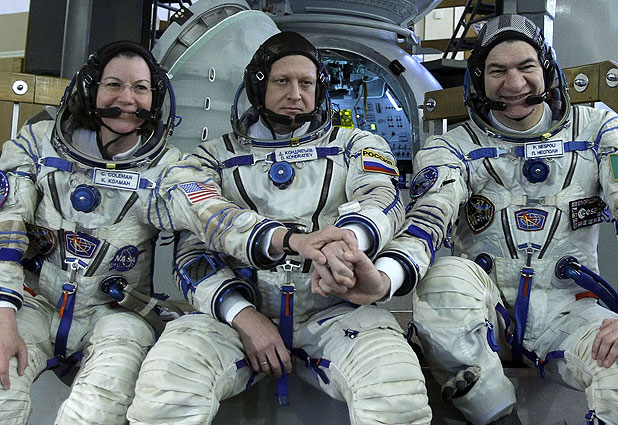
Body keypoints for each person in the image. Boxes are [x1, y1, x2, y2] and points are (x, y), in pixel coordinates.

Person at [0, 40, 329, 425]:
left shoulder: (169, 168)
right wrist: (4, 313)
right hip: (29, 303)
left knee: (95, 411)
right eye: (114, 85)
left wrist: (288, 239)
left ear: (155, 100)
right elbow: (7, 225)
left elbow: (213, 214)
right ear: (91, 90)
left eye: (140, 88)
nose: (127, 99)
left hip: (114, 314)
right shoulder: (37, 145)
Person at [127, 31, 432, 425]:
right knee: (166, 389)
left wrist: (345, 245)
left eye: (306, 83)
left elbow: (382, 199)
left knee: (397, 393)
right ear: (258, 87)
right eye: (282, 81)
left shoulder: (357, 145)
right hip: (236, 317)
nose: (295, 94)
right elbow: (193, 253)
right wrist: (242, 314)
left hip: (336, 312)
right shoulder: (209, 159)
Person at [405, 14, 618, 425]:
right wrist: (390, 273)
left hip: (572, 313)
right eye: (498, 71)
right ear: (478, 81)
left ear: (547, 71)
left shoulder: (597, 132)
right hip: (487, 313)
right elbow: (430, 216)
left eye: (526, 67)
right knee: (444, 280)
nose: (515, 83)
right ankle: (498, 417)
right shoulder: (452, 147)